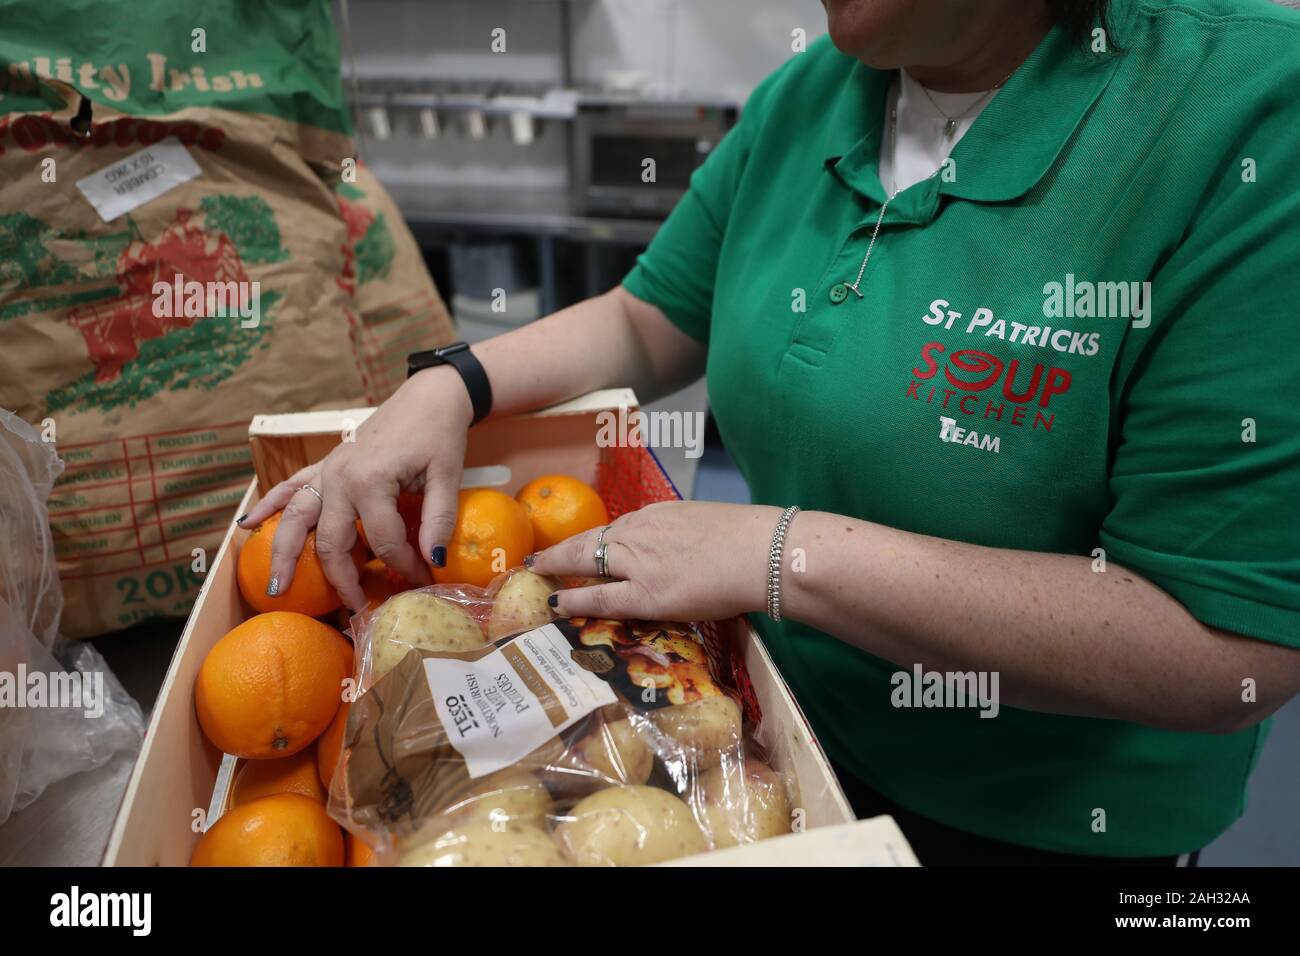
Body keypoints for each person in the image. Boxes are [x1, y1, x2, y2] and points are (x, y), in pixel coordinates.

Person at [241, 0, 1300, 865]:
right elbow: (646, 318)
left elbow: (1224, 649)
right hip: (756, 743)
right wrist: (453, 383)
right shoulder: (815, 91)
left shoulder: (1248, 119)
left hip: (1039, 821)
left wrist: (778, 553)